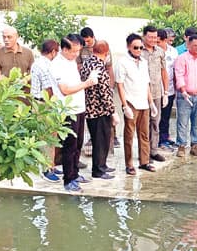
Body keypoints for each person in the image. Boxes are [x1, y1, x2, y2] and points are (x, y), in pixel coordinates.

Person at [53, 34, 100, 193]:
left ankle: (75, 173)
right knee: (69, 146)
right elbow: (65, 90)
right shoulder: (57, 65)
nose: (76, 55)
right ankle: (68, 179)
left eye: (78, 51)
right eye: (73, 51)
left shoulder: (71, 62)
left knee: (78, 143)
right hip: (67, 111)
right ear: (64, 49)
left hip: (79, 108)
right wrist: (86, 84)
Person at [116, 33, 155, 175]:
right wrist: (125, 105)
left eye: (140, 48)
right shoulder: (122, 62)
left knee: (144, 134)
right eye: (135, 47)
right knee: (129, 135)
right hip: (131, 102)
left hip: (143, 102)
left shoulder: (144, 62)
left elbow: (146, 83)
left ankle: (144, 161)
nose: (138, 50)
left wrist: (151, 103)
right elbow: (119, 85)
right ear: (128, 47)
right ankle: (129, 164)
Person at [81, 40, 115, 179]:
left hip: (89, 107)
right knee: (101, 141)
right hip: (100, 110)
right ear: (106, 52)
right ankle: (98, 170)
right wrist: (113, 111)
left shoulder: (87, 62)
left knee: (97, 140)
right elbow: (104, 92)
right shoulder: (99, 67)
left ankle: (102, 164)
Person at [31, 39, 62, 183]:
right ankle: (46, 169)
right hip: (44, 104)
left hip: (40, 102)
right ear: (53, 51)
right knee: (46, 138)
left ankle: (51, 165)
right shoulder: (45, 65)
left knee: (51, 137)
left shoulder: (38, 62)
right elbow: (49, 89)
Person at [141, 25, 168, 162]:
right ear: (144, 36)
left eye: (154, 37)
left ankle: (153, 150)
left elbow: (164, 72)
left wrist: (166, 92)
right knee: (143, 125)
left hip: (157, 92)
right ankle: (144, 153)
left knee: (155, 123)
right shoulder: (138, 50)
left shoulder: (160, 51)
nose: (152, 40)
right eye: (150, 37)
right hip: (141, 94)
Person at [157, 27, 178, 147]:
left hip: (169, 89)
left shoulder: (173, 52)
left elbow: (175, 70)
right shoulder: (153, 52)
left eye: (159, 41)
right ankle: (156, 140)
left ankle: (164, 137)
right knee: (156, 116)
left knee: (166, 115)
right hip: (155, 89)